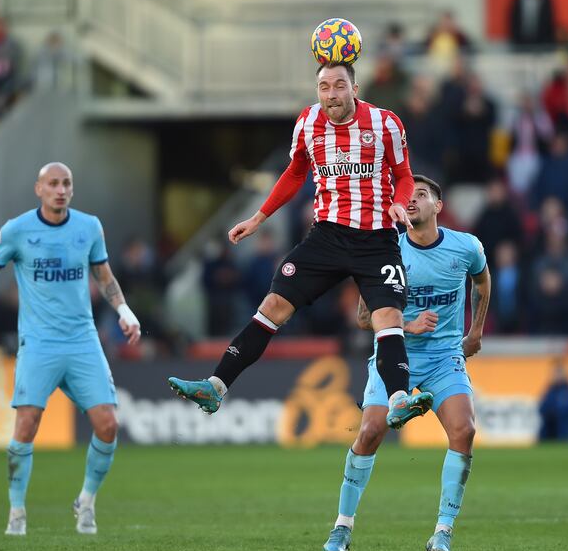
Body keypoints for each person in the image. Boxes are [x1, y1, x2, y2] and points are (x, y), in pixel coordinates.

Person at [169, 62, 431, 429]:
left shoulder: (386, 123)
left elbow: (403, 175)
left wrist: (400, 203)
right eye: (324, 87)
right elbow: (294, 173)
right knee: (274, 304)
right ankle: (216, 386)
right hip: (326, 236)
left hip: (377, 238)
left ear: (354, 89)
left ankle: (400, 400)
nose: (332, 94)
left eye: (339, 86)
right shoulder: (308, 123)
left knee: (385, 316)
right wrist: (258, 218)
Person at [0, 162, 141, 536]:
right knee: (27, 423)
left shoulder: (89, 227)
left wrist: (124, 311)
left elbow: (104, 277)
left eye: (67, 184)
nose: (60, 190)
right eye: (53, 184)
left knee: (108, 424)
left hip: (82, 340)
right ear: (39, 189)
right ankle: (16, 512)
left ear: (72, 190)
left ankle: (87, 502)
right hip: (39, 342)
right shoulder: (16, 230)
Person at [321, 175, 491, 551]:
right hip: (395, 354)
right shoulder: (387, 251)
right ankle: (342, 526)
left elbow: (482, 279)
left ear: (438, 206)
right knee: (370, 431)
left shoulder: (466, 247)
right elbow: (364, 317)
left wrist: (476, 330)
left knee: (464, 430)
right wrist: (405, 324)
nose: (411, 200)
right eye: (407, 195)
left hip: (444, 357)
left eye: (422, 194)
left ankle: (443, 532)